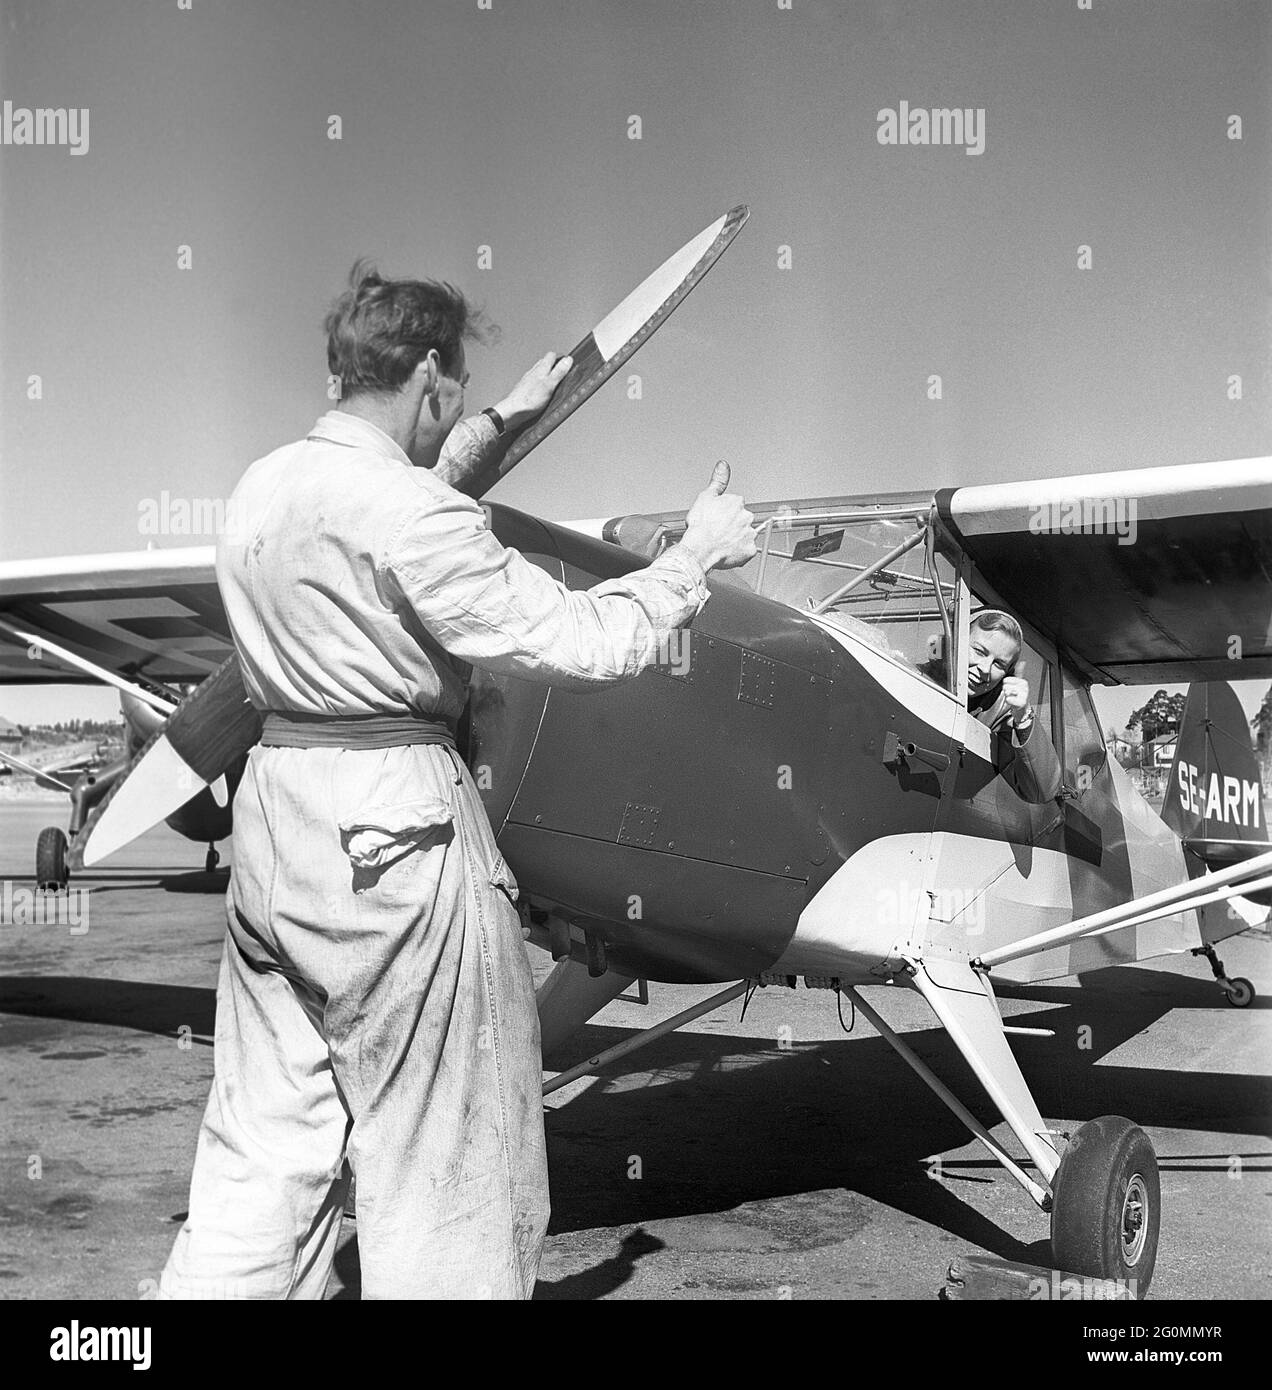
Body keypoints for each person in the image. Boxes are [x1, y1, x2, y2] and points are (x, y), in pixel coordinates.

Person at [159, 261, 757, 1301]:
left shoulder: (258, 492)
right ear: (430, 373)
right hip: (397, 840)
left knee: (258, 1162)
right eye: (458, 390)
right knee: (448, 1168)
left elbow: (390, 500)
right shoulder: (414, 513)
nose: (457, 414)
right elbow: (575, 636)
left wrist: (500, 419)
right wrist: (691, 563)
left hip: (272, 830)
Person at [965, 609, 1062, 805]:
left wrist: (1023, 714)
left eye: (998, 664)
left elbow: (1041, 791)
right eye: (978, 651)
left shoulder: (1000, 713)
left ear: (1007, 673)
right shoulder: (918, 674)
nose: (984, 668)